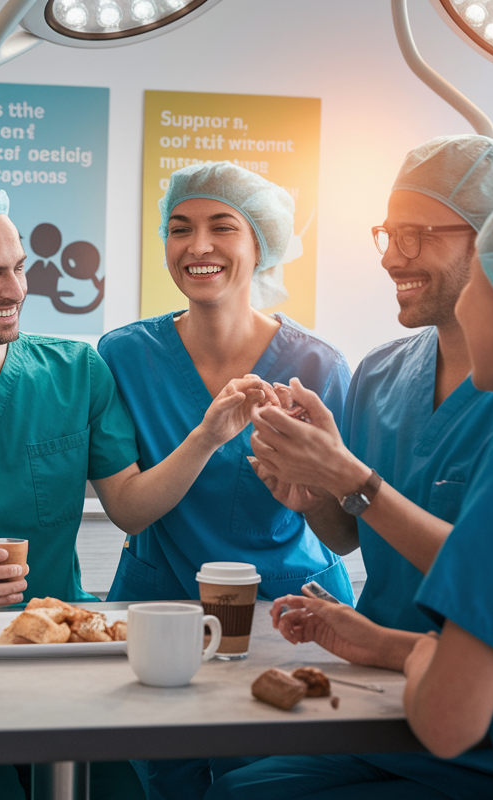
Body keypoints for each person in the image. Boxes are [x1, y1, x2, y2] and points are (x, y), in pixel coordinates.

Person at [0, 184, 275, 800]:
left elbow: (128, 507)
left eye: (19, 267)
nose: (16, 290)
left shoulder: (76, 371)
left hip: (64, 654)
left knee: (123, 791)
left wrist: (205, 438)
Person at [245, 175, 493, 798]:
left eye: (480, 285)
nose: (462, 308)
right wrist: (385, 642)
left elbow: (445, 722)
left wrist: (409, 655)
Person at [217, 135, 493, 799]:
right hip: (378, 692)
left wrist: (348, 477)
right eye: (388, 234)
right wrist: (311, 493)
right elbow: (350, 535)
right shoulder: (381, 371)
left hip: (489, 727)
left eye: (418, 233)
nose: (394, 256)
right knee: (233, 781)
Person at [99, 162, 354, 800]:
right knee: (163, 781)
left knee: (262, 783)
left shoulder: (317, 365)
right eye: (180, 228)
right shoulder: (124, 356)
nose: (198, 246)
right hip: (160, 608)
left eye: (223, 227)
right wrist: (209, 434)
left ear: (260, 243)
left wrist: (306, 485)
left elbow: (343, 532)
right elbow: (129, 511)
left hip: (288, 610)